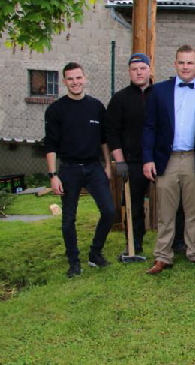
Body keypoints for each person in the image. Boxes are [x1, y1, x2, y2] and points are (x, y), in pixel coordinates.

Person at [142, 45, 195, 275]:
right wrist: (148, 158)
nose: (185, 67)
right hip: (168, 159)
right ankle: (163, 256)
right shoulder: (159, 91)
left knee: (194, 210)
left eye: (190, 63)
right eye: (181, 62)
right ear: (175, 64)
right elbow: (149, 126)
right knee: (165, 212)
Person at [45, 62, 115, 277]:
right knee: (68, 219)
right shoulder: (56, 110)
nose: (75, 82)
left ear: (85, 79)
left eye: (78, 78)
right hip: (69, 169)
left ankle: (95, 253)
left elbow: (104, 140)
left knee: (109, 212)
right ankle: (73, 262)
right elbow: (50, 145)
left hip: (94, 167)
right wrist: (53, 175)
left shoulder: (96, 106)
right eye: (70, 79)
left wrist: (107, 165)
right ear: (64, 82)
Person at [106, 53, 154, 256]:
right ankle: (134, 245)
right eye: (134, 69)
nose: (139, 72)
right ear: (129, 72)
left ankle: (175, 244)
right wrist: (120, 161)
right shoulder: (120, 99)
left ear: (149, 69)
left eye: (142, 68)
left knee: (170, 205)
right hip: (132, 162)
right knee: (133, 206)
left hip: (159, 160)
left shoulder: (160, 94)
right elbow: (112, 133)